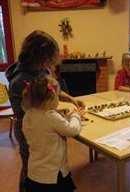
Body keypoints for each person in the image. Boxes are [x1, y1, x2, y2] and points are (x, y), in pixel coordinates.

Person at [5, 30, 85, 192]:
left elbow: (52, 90)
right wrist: (55, 118)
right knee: (32, 166)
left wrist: (70, 98)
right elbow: (29, 113)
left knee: (50, 163)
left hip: (44, 122)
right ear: (38, 57)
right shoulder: (20, 80)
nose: (49, 66)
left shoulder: (42, 69)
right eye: (48, 61)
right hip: (29, 129)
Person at [22, 75, 82, 192]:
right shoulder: (50, 116)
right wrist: (76, 115)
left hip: (34, 173)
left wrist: (63, 116)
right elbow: (73, 130)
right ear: (50, 99)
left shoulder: (28, 115)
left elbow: (45, 128)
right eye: (57, 97)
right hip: (52, 175)